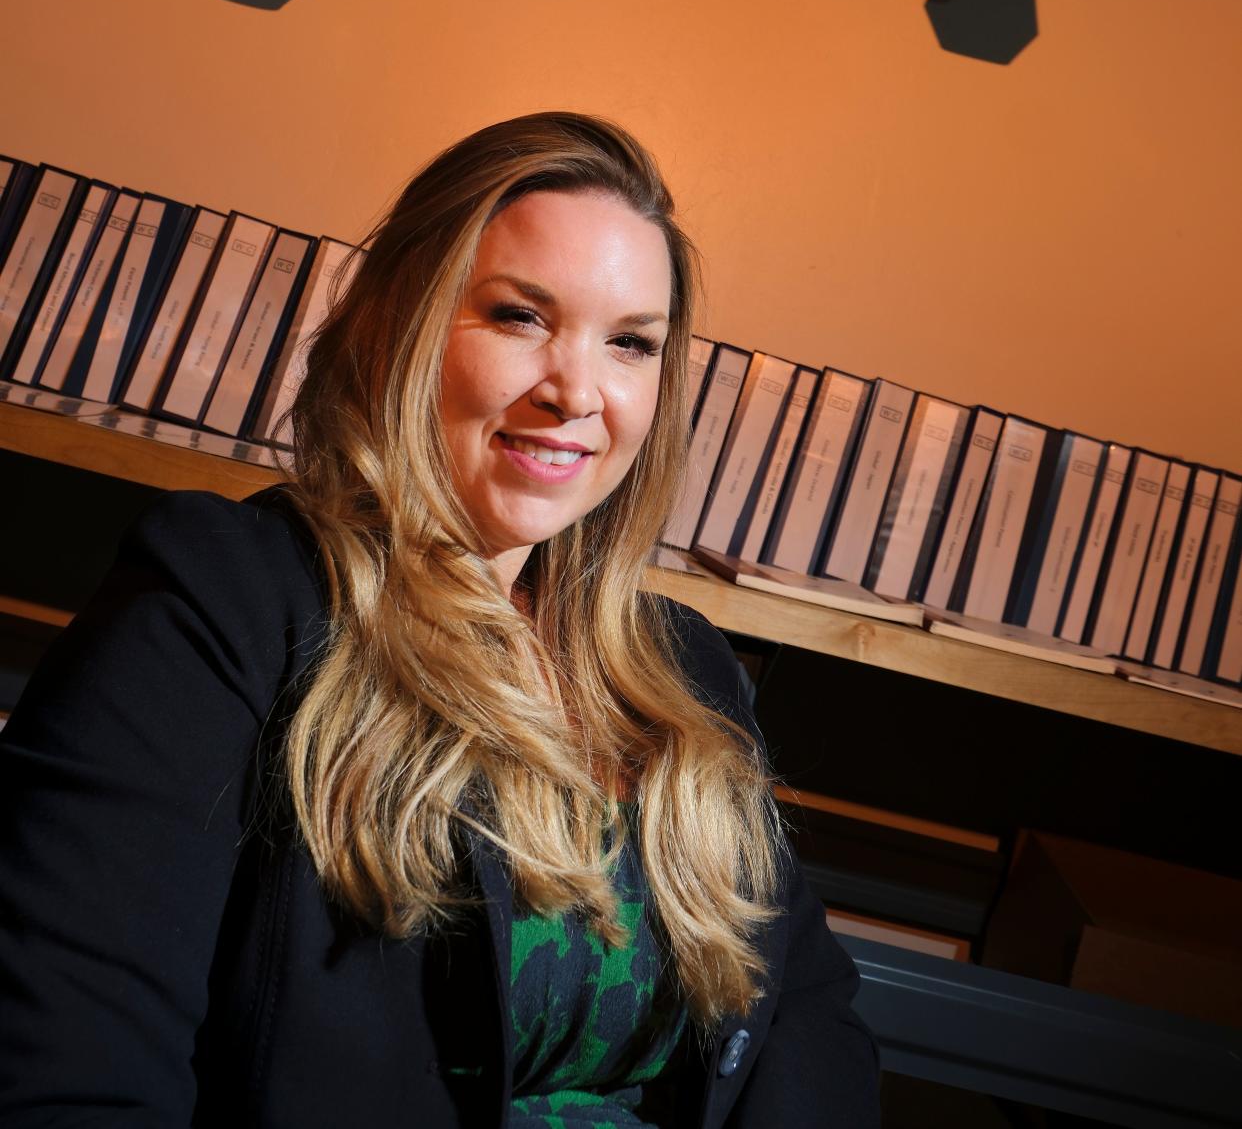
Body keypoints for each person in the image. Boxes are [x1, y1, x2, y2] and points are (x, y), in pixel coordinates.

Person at [0, 112, 880, 1125]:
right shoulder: (227, 598)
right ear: (395, 322)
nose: (578, 391)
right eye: (520, 317)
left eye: (631, 343)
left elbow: (809, 1012)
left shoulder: (690, 669)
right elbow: (67, 1065)